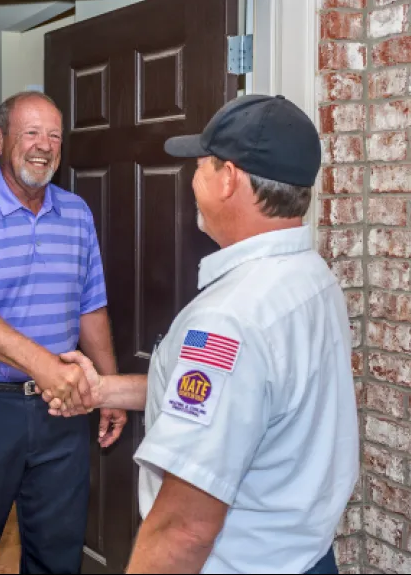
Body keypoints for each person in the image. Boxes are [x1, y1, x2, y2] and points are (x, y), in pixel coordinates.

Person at [42, 94, 359, 574]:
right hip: (306, 558)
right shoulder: (310, 278)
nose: (193, 180)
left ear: (228, 178)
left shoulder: (229, 319)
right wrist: (104, 390)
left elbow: (185, 528)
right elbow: (245, 402)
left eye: (201, 165)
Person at [0, 91, 127, 574]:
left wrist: (112, 388)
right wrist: (42, 364)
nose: (44, 146)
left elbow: (91, 308)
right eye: (31, 133)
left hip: (61, 412)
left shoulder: (77, 213)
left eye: (55, 135)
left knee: (58, 560)